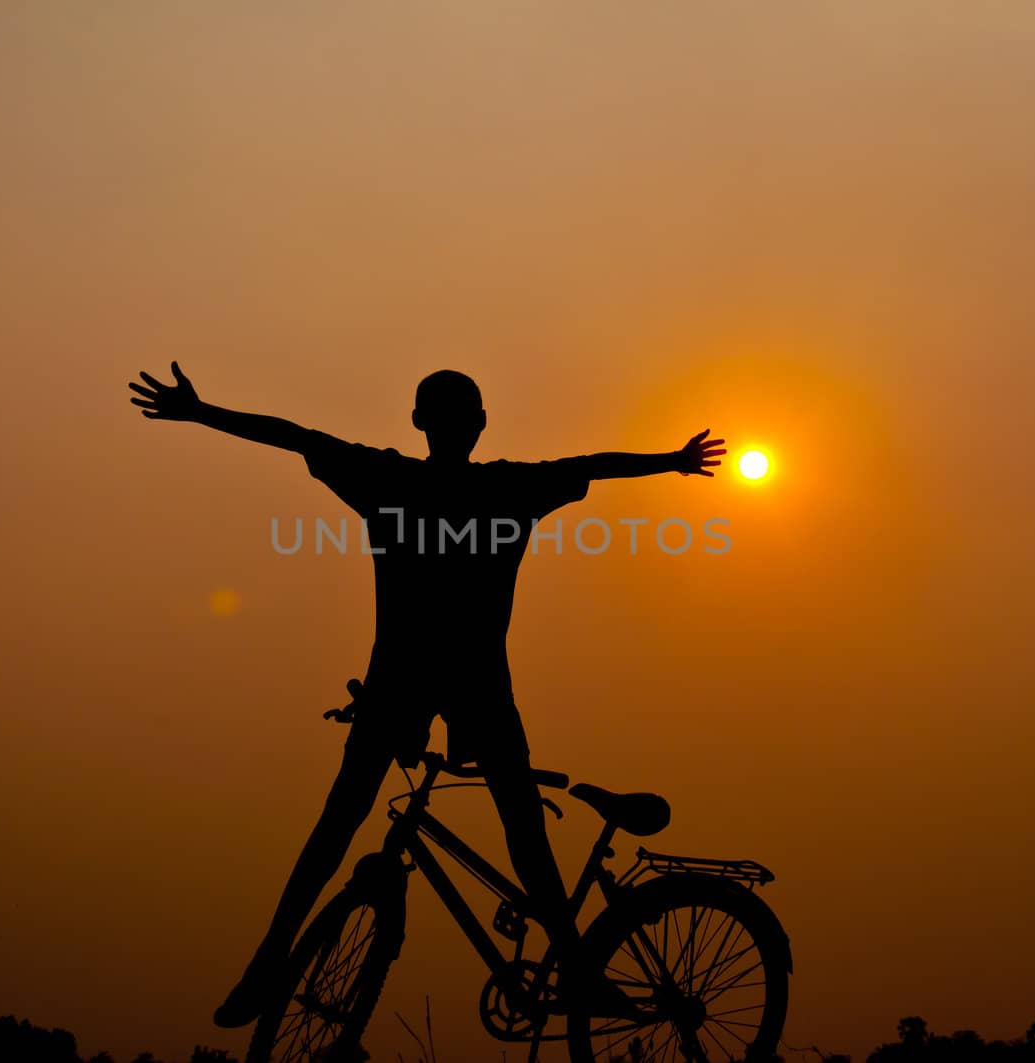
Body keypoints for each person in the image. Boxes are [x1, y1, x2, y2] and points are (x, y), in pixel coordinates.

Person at [128, 363, 724, 1027]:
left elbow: (294, 436)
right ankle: (578, 967)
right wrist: (672, 460)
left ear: (418, 422)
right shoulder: (506, 487)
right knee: (523, 838)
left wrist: (202, 411)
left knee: (338, 825)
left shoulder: (391, 478)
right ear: (479, 424)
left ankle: (269, 960)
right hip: (467, 686)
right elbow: (594, 462)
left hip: (410, 682)